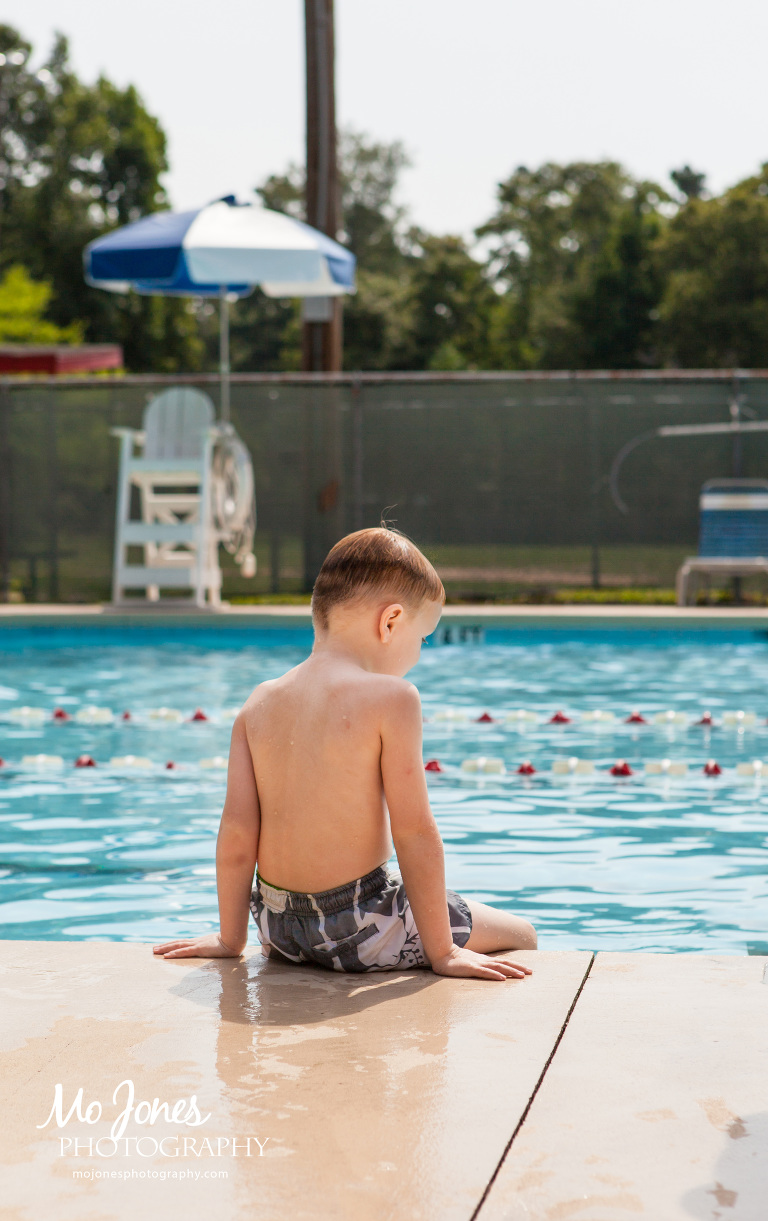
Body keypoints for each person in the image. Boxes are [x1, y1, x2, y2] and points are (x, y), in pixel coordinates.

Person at [152, 526, 536, 980]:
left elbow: (236, 832)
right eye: (423, 638)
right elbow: (413, 831)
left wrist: (229, 939)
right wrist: (443, 952)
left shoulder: (258, 703)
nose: (418, 653)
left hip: (278, 931)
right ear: (390, 622)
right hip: (361, 929)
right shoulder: (393, 698)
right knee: (523, 934)